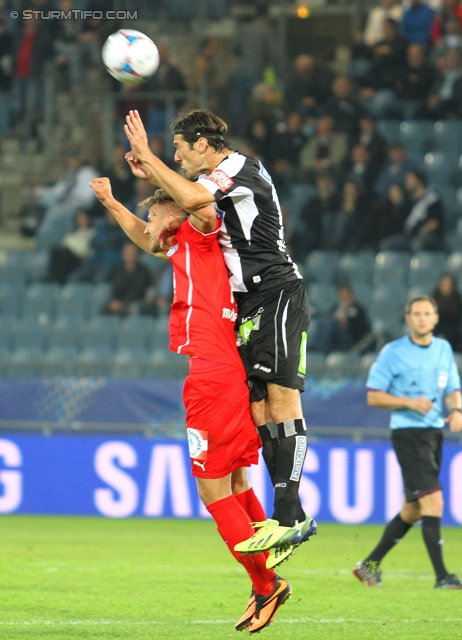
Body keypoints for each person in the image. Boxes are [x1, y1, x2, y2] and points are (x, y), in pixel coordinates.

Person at [89, 178, 292, 633]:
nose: (150, 224)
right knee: (237, 480)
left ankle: (266, 584)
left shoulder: (200, 234)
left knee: (211, 491)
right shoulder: (186, 246)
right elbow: (146, 239)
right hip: (228, 374)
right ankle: (270, 560)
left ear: (172, 212)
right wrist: (111, 202)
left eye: (155, 214)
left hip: (212, 379)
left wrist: (153, 172)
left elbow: (186, 217)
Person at [122, 108, 317, 563]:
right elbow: (168, 224)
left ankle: (289, 516)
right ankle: (292, 513)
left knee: (283, 401)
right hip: (248, 305)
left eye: (179, 149)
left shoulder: (238, 168)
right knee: (260, 408)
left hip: (277, 291)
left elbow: (195, 201)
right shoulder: (217, 174)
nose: (177, 156)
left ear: (203, 145)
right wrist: (149, 169)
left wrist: (152, 161)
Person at [353, 295, 462, 590]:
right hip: (408, 434)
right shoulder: (393, 353)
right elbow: (373, 395)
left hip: (434, 434)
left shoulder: (443, 349)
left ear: (436, 318)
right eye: (417, 313)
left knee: (413, 508)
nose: (422, 318)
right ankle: (443, 576)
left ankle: (369, 565)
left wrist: (456, 409)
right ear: (408, 319)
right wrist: (409, 402)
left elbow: (452, 388)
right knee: (433, 499)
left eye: (427, 313)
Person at [313, 286, 371, 354]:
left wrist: (346, 321)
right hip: (335, 340)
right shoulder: (335, 308)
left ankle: (321, 348)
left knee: (330, 323)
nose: (344, 299)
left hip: (351, 341)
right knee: (323, 321)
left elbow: (362, 330)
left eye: (346, 296)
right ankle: (317, 347)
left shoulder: (358, 309)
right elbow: (329, 316)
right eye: (342, 296)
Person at [100, 243, 152, 317]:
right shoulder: (117, 270)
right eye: (127, 253)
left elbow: (139, 291)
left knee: (134, 309)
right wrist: (115, 301)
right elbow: (115, 288)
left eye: (132, 253)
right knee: (103, 309)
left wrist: (123, 304)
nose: (129, 255)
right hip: (118, 302)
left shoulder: (143, 271)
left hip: (135, 302)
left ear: (137, 255)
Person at [433, 273, 462, 351]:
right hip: (435, 334)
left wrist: (446, 335)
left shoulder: (457, 300)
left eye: (449, 284)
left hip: (453, 337)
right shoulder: (434, 299)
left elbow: (456, 322)